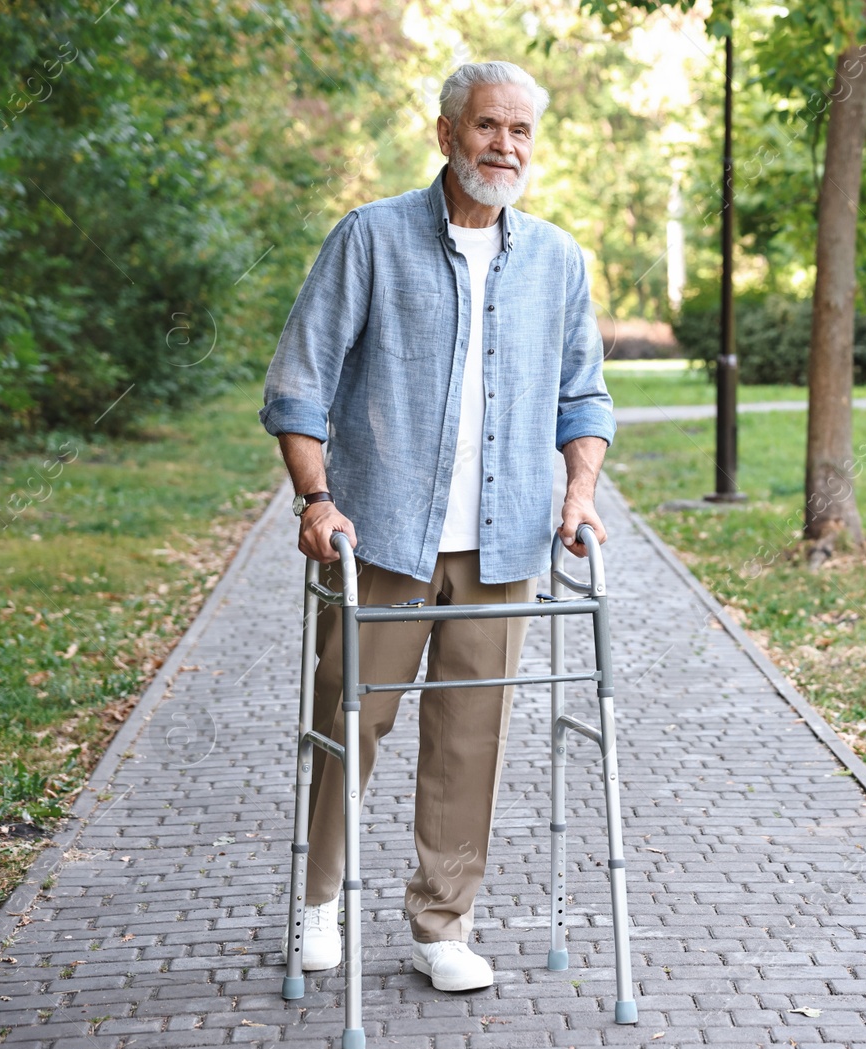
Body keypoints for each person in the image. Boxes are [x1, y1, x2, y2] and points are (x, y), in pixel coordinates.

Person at [259, 60, 614, 992]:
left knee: (469, 735)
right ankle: (319, 905)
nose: (506, 145)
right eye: (489, 126)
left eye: (521, 131)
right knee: (353, 717)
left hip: (502, 544)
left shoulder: (558, 260)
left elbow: (585, 399)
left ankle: (442, 922)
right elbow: (300, 381)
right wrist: (315, 498)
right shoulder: (370, 239)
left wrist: (578, 495)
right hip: (381, 537)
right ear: (448, 133)